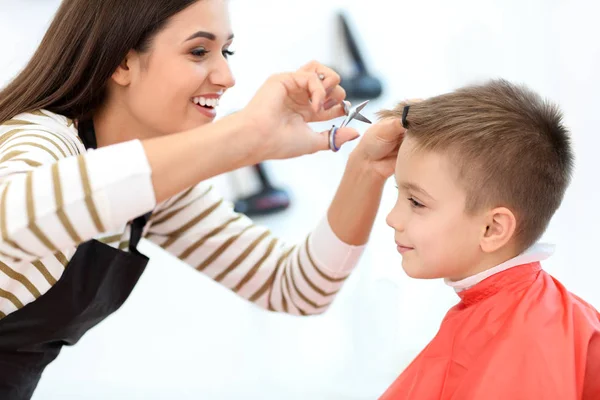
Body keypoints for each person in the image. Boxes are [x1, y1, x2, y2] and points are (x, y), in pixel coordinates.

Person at [0, 0, 405, 398]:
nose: (227, 77)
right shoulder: (39, 137)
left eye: (225, 51)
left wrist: (367, 168)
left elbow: (296, 287)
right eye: (199, 51)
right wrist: (243, 137)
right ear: (122, 63)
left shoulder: (157, 191)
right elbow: (15, 219)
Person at [377, 80, 600, 399]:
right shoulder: (553, 315)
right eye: (399, 193)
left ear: (493, 229)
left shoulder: (522, 349)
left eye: (416, 202)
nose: (392, 219)